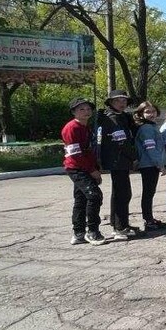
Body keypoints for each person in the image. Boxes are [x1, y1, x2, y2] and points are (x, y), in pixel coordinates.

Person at [95, 89, 141, 240]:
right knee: (122, 193)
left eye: (124, 101)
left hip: (121, 160)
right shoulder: (113, 118)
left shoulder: (122, 117)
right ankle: (120, 228)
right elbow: (121, 142)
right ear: (111, 103)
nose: (121, 103)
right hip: (118, 159)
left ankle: (120, 223)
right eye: (117, 101)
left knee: (120, 193)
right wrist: (133, 157)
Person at [63, 97, 107, 245]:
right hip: (76, 168)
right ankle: (92, 231)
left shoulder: (86, 127)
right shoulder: (72, 128)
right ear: (74, 112)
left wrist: (95, 167)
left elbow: (88, 150)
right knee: (94, 196)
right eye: (81, 109)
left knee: (81, 199)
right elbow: (75, 153)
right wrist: (91, 170)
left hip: (86, 167)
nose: (86, 111)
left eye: (88, 109)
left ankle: (78, 233)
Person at [133, 101, 166, 232]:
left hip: (151, 164)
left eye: (153, 111)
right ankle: (148, 220)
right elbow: (150, 148)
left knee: (150, 192)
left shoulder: (151, 126)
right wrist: (160, 165)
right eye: (147, 112)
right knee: (148, 193)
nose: (151, 114)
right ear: (141, 114)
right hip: (148, 165)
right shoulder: (146, 128)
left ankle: (150, 218)